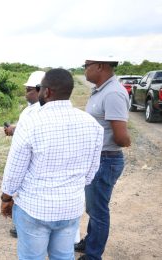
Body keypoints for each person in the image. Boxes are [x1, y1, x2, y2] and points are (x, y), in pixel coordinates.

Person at [1, 68, 104, 260]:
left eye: (40, 89)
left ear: (46, 92)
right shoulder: (92, 125)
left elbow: (14, 170)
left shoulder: (30, 123)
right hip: (70, 207)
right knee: (64, 256)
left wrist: (6, 198)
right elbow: (91, 173)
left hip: (34, 208)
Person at [75, 57, 131, 260]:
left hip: (106, 159)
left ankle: (93, 255)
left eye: (86, 66)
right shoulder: (101, 90)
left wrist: (126, 140)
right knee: (93, 206)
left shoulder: (113, 93)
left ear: (100, 66)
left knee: (98, 210)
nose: (84, 70)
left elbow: (121, 136)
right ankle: (91, 241)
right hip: (98, 159)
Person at [3, 70, 45, 238]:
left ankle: (25, 227)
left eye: (29, 89)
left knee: (26, 194)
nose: (25, 92)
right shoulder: (31, 109)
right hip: (29, 161)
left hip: (31, 162)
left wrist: (5, 196)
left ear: (41, 90)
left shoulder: (39, 111)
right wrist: (14, 129)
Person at [4, 70, 44, 137]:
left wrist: (12, 130)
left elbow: (26, 135)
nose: (26, 93)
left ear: (40, 90)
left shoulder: (30, 112)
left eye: (29, 90)